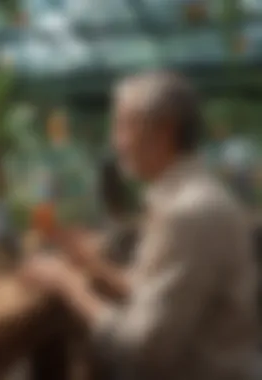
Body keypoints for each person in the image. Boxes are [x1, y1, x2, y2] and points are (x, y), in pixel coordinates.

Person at [20, 71, 259, 380]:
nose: (115, 142)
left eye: (122, 126)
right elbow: (157, 297)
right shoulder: (188, 196)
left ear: (163, 131)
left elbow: (142, 351)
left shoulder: (189, 212)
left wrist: (67, 283)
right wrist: (94, 265)